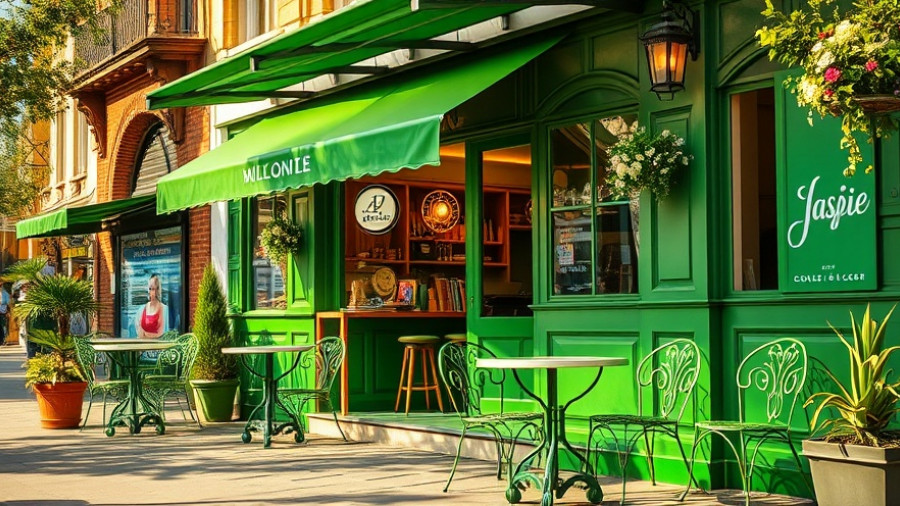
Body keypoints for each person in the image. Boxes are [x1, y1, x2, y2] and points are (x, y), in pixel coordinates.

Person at [135, 274, 169, 339]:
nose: (151, 292)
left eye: (154, 289)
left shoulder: (165, 310)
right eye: (150, 289)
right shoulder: (141, 310)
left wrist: (146, 335)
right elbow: (139, 333)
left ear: (159, 290)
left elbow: (163, 334)